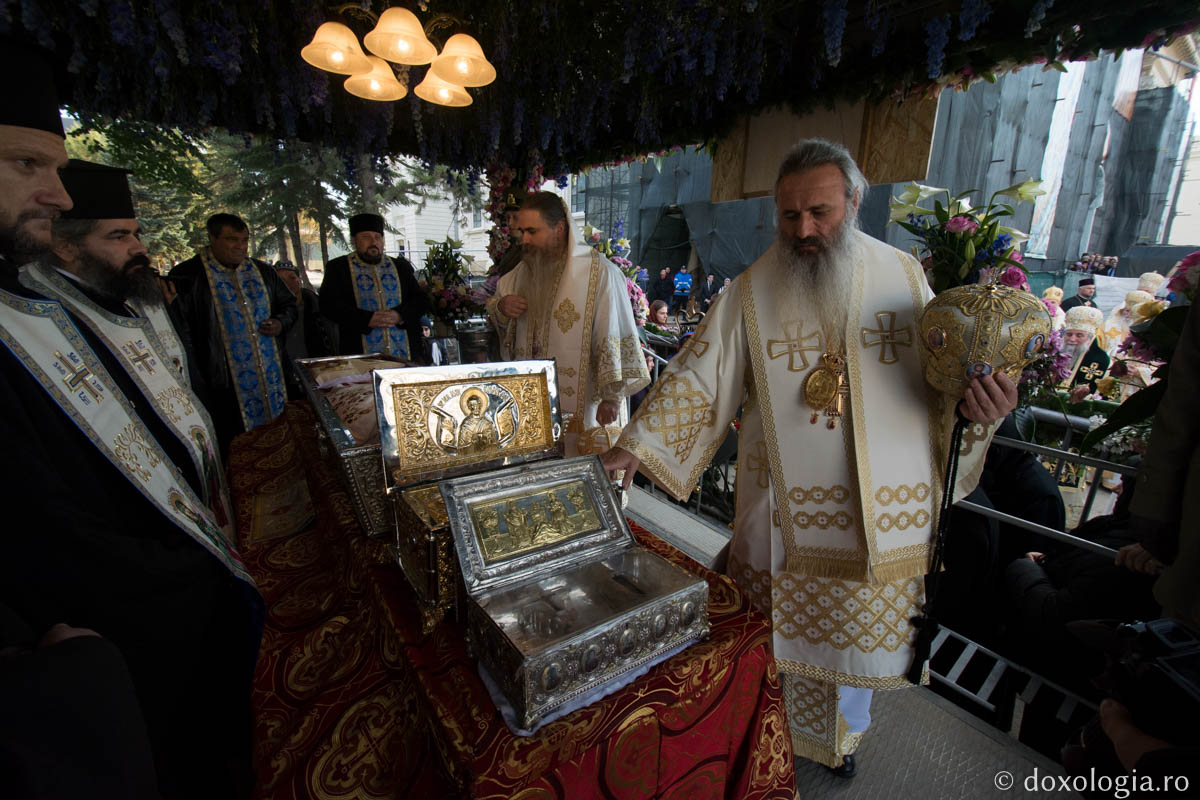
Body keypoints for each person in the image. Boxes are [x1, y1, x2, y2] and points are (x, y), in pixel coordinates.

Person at [602, 138, 1015, 775]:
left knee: (850, 641)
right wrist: (637, 445)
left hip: (878, 509)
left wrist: (977, 410)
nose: (805, 229)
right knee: (769, 633)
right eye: (790, 215)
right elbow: (701, 376)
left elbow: (940, 389)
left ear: (854, 202)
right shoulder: (752, 289)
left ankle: (839, 743)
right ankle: (762, 737)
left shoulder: (904, 278)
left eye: (820, 212)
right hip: (783, 504)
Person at [0, 78, 262, 799]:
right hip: (113, 616)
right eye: (28, 166)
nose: (51, 192)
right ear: (65, 251)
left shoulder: (112, 300)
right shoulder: (45, 316)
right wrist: (183, 570)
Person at [486, 191, 650, 457]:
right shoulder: (521, 273)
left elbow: (614, 332)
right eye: (522, 232)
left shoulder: (601, 274)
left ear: (559, 229)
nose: (524, 239)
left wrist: (612, 397)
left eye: (532, 231)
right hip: (532, 406)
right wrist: (502, 308)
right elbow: (497, 311)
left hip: (586, 406)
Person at [169, 213, 296, 455]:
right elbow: (181, 331)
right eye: (232, 240)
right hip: (222, 383)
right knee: (237, 448)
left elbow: (288, 305)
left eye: (244, 240)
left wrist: (279, 323)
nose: (240, 246)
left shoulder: (263, 272)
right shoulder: (189, 276)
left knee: (280, 439)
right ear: (212, 238)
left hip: (272, 375)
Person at [318, 212, 426, 360]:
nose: (373, 242)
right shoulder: (338, 268)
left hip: (404, 351)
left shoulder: (401, 267)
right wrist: (366, 319)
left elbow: (420, 301)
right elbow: (328, 305)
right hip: (358, 351)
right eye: (366, 237)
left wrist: (399, 314)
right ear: (355, 241)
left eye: (377, 237)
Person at [274, 261, 334, 397]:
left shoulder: (320, 308)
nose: (287, 283)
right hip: (286, 380)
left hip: (320, 376)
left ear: (299, 280)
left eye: (291, 278)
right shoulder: (269, 315)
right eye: (281, 280)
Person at [1061, 306, 1110, 395]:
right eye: (1069, 334)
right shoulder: (1054, 352)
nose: (1072, 339)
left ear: (1090, 338)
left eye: (1079, 335)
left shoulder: (1101, 360)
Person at [1101, 289, 1154, 359]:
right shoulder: (1107, 327)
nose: (1128, 314)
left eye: (1133, 312)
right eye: (1127, 310)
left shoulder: (1147, 331)